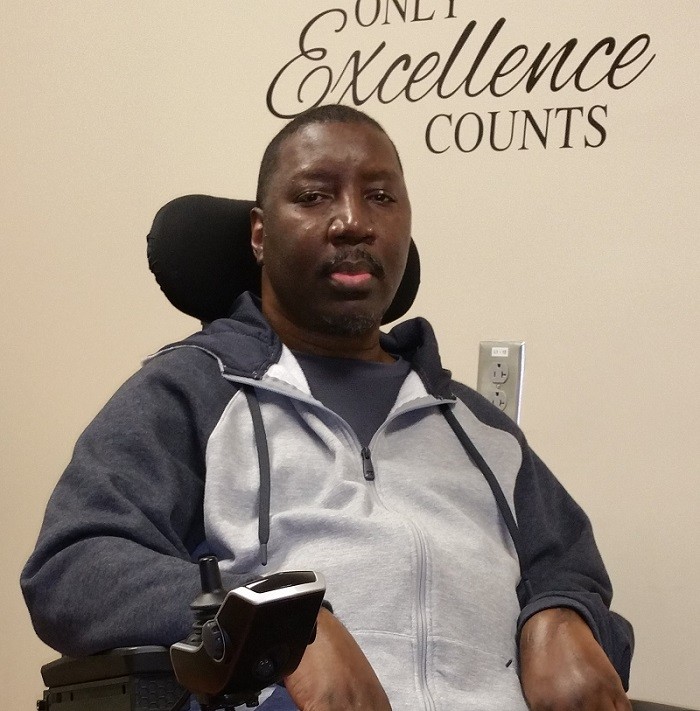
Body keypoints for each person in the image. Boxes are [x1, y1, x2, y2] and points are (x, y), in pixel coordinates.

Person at [22, 104, 633, 711]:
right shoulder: (189, 393)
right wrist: (272, 625)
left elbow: (572, 569)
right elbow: (72, 568)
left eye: (381, 198)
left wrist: (562, 617)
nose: (352, 222)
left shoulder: (479, 428)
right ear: (260, 234)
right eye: (315, 196)